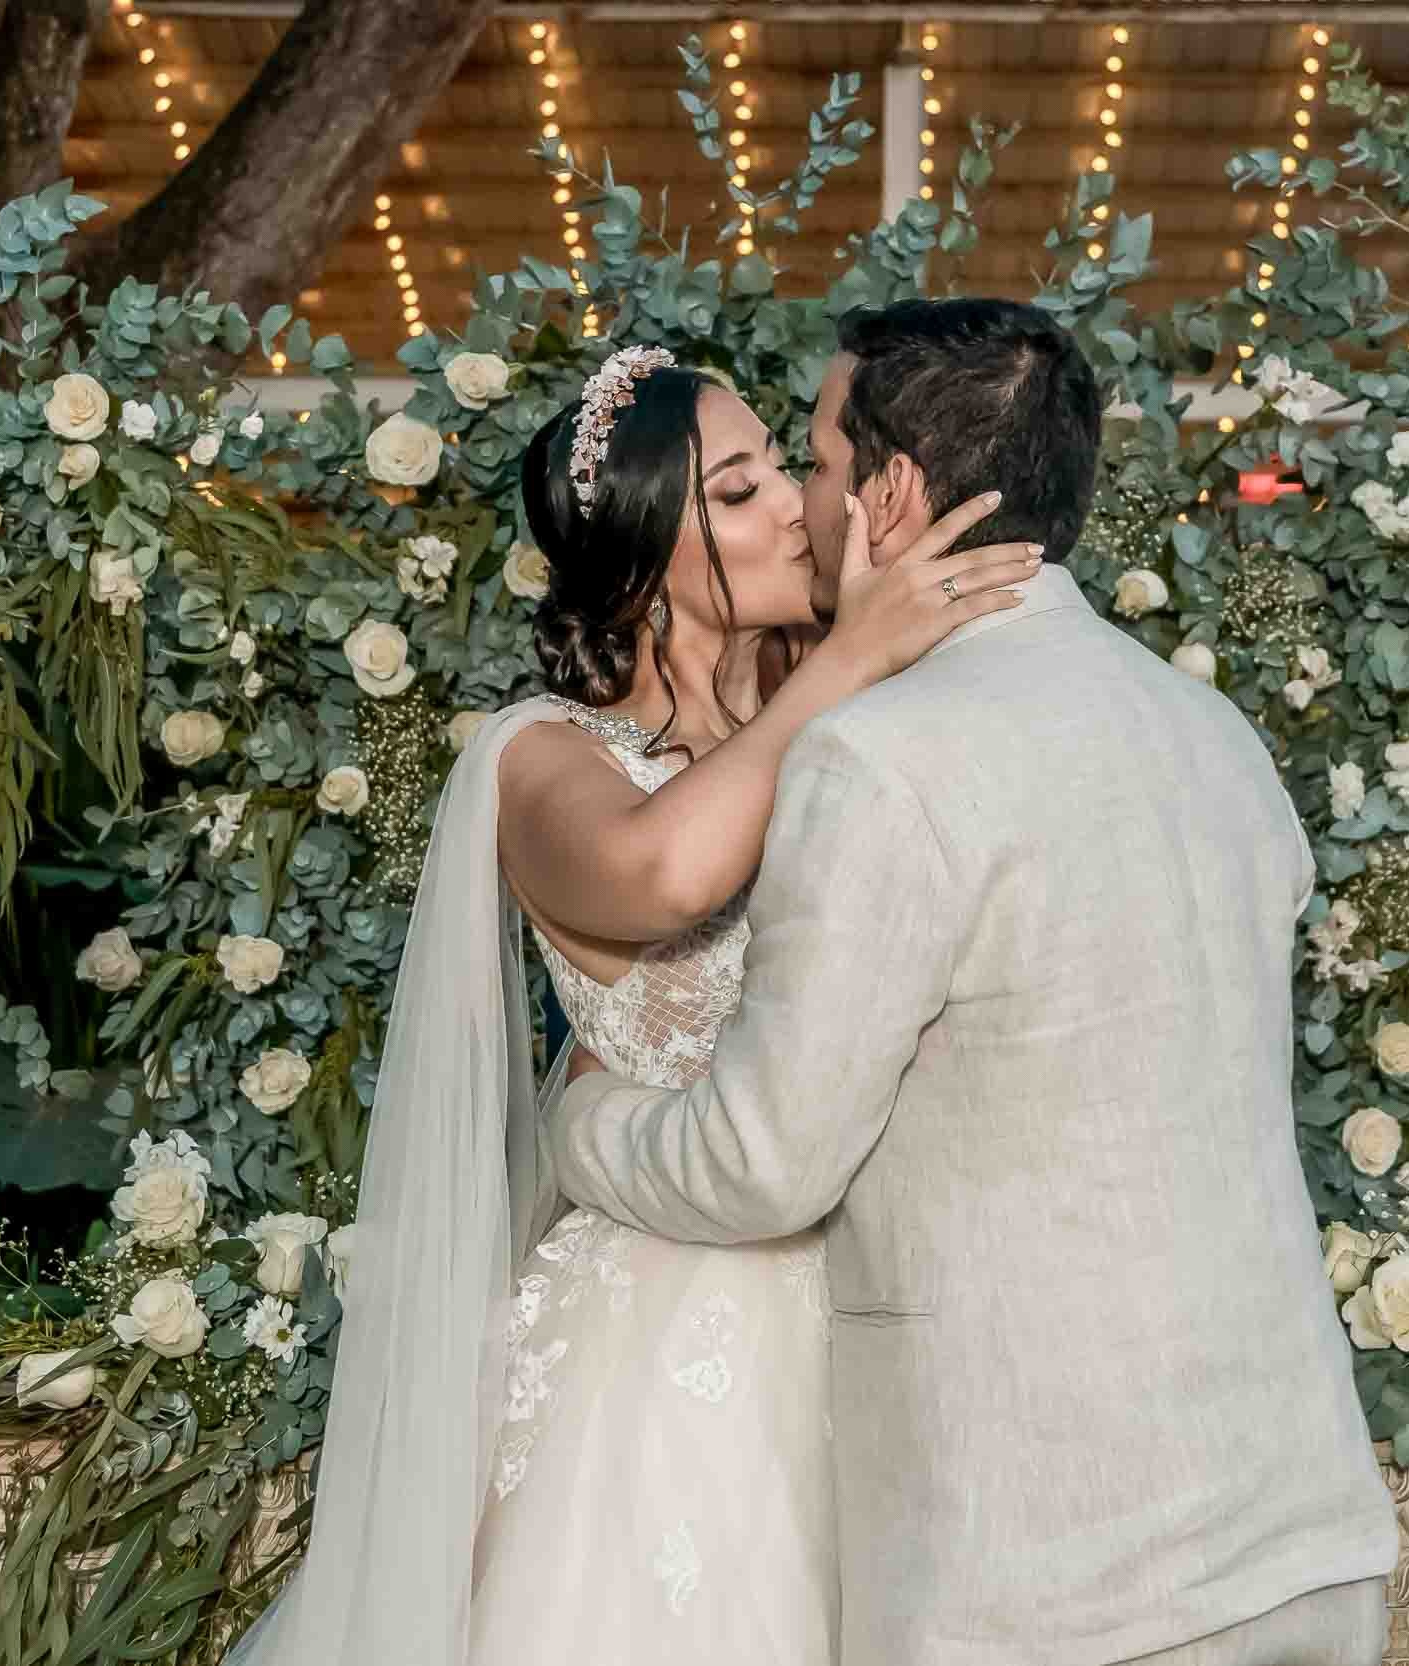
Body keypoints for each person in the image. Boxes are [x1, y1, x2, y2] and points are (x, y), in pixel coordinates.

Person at [546, 299, 1402, 1666]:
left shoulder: (883, 762)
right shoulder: (1216, 734)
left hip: (1063, 1577)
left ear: (887, 496)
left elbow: (762, 1166)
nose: (802, 504)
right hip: (1301, 1532)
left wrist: (581, 1120)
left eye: (814, 464)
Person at [227, 342, 1037, 1666]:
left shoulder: (851, 706)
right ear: (647, 556)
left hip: (886, 1298)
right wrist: (848, 663)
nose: (796, 510)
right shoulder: (539, 760)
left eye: (785, 469)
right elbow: (661, 874)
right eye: (739, 491)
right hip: (668, 1329)